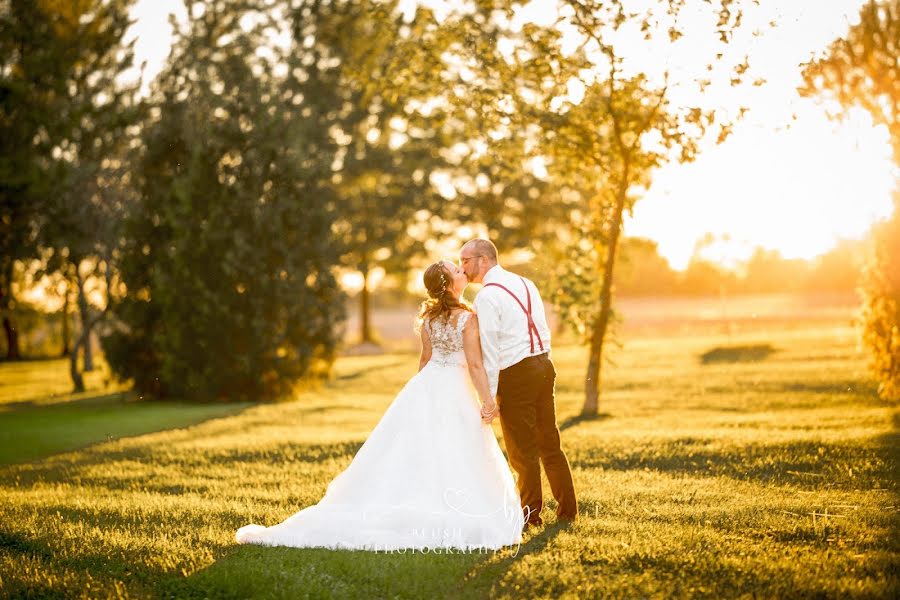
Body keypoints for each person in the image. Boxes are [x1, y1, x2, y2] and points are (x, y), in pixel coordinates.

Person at [235, 260, 524, 551]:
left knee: (421, 448)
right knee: (455, 447)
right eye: (457, 271)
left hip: (426, 386)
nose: (463, 272)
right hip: (451, 388)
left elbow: (425, 360)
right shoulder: (467, 318)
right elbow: (474, 363)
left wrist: (421, 395)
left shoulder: (428, 319)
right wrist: (488, 401)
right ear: (448, 284)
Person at [459, 239, 578, 529]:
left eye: (465, 260)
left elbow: (491, 349)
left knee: (522, 452)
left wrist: (489, 398)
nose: (462, 267)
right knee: (550, 444)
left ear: (483, 260)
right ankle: (567, 512)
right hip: (543, 365)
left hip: (516, 373)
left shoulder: (486, 297)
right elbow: (542, 328)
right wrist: (543, 360)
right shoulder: (525, 283)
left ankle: (530, 517)